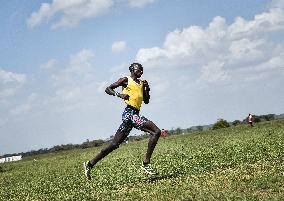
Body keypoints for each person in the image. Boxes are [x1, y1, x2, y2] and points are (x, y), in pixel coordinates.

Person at [83, 63, 161, 180]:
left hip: (134, 114)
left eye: (142, 69)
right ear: (132, 70)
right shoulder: (125, 80)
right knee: (156, 131)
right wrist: (119, 94)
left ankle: (90, 164)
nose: (141, 71)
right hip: (129, 114)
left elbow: (146, 101)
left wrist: (147, 89)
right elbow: (108, 89)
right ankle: (146, 163)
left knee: (114, 144)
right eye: (138, 69)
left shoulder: (141, 83)